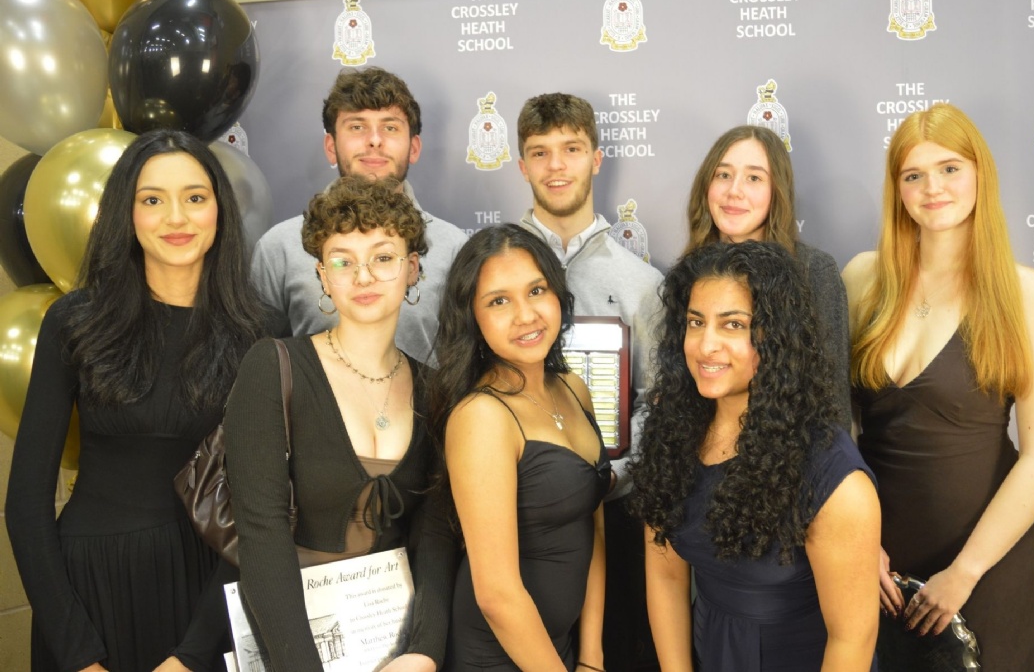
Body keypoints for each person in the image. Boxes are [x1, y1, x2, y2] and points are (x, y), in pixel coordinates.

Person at [6, 130, 280, 672]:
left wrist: (192, 655)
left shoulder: (261, 332)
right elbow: (25, 505)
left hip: (211, 596)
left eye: (195, 197)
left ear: (220, 210)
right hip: (91, 591)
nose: (176, 218)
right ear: (125, 213)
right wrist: (77, 653)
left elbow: (261, 509)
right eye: (152, 199)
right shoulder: (75, 322)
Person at [843, 103, 1034, 670]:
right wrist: (856, 542)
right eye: (913, 175)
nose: (932, 188)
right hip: (877, 564)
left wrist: (964, 573)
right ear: (897, 189)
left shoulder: (1028, 294)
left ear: (979, 174)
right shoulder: (862, 279)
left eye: (949, 169)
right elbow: (837, 429)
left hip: (985, 563)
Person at [222, 176, 456, 672]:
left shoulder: (435, 389)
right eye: (343, 261)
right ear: (322, 277)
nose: (363, 276)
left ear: (413, 268)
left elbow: (435, 535)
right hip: (292, 645)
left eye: (383, 257)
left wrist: (424, 651)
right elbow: (261, 535)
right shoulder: (273, 366)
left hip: (394, 642)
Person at [629, 241, 880, 672]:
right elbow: (666, 573)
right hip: (711, 651)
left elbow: (852, 639)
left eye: (733, 325)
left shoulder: (833, 478)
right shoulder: (671, 432)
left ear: (776, 337)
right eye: (695, 322)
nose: (706, 345)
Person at [515, 92, 663, 670]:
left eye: (572, 149)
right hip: (516, 513)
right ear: (522, 165)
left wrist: (613, 476)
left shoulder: (642, 284)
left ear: (596, 159)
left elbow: (657, 403)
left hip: (614, 512)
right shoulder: (491, 267)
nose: (556, 166)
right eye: (540, 152)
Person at [430, 225, 610, 671]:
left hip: (561, 650)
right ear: (472, 317)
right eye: (499, 301)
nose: (526, 315)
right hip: (494, 658)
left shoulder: (573, 388)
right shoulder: (481, 417)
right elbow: (496, 594)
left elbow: (593, 526)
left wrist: (591, 656)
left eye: (536, 290)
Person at [250, 66, 467, 360]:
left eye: (390, 127)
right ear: (331, 146)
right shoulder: (279, 248)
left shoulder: (454, 247)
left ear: (414, 148)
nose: (374, 140)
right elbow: (261, 363)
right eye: (357, 127)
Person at [685, 125, 851, 428]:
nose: (734, 190)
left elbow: (833, 404)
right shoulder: (688, 275)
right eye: (723, 175)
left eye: (754, 178)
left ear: (776, 191)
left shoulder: (813, 272)